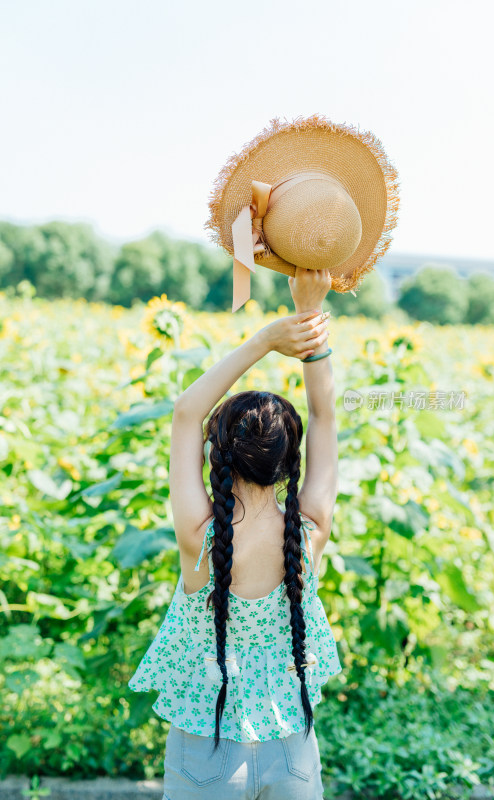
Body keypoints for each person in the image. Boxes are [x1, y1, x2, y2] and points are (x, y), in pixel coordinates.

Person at [128, 268, 342, 799]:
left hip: (207, 743)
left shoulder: (201, 538)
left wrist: (266, 339)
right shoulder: (308, 530)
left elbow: (184, 414)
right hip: (291, 744)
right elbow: (325, 415)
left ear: (215, 456)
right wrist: (310, 314)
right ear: (291, 462)